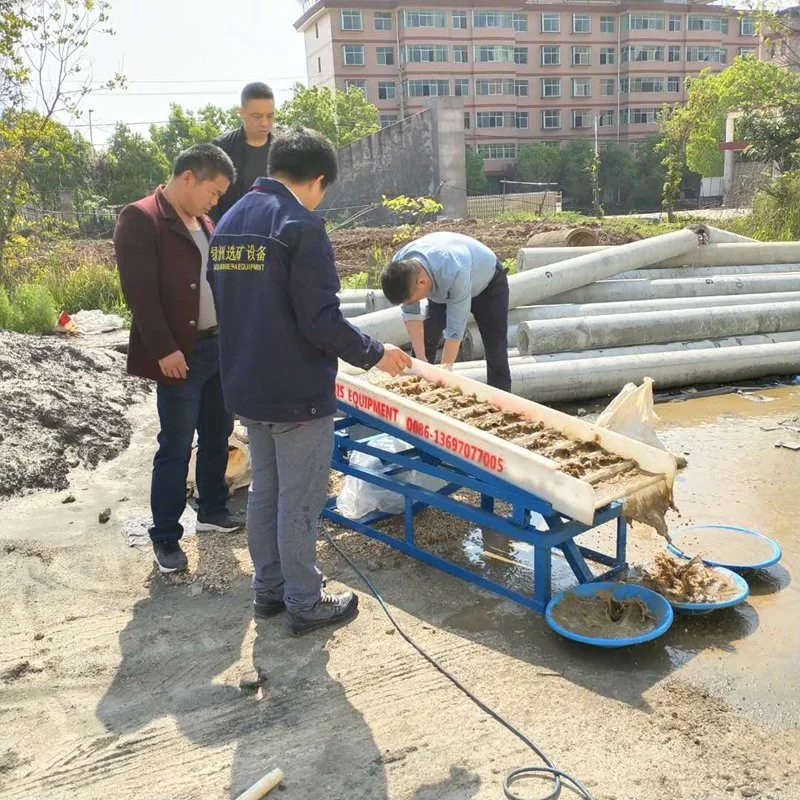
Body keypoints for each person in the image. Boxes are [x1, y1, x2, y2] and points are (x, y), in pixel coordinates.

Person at [209, 126, 410, 635]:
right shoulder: (299, 224)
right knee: (297, 502)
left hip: (247, 384)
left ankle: (268, 591)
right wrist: (373, 352)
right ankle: (305, 601)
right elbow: (319, 320)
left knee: (266, 494)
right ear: (318, 180)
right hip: (295, 392)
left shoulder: (229, 220)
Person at [114, 143, 243, 575]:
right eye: (213, 191)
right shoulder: (142, 218)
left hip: (216, 346)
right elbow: (140, 294)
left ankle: (211, 509)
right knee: (174, 444)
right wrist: (165, 348)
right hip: (179, 355)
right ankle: (166, 535)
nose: (215, 201)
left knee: (217, 431)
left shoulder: (204, 221)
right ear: (188, 177)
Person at [381, 232, 512, 391]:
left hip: (488, 284)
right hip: (441, 284)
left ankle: (501, 401)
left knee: (495, 348)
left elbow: (455, 330)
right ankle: (416, 391)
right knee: (428, 336)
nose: (414, 302)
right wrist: (421, 361)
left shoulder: (454, 271)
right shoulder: (400, 268)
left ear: (422, 282)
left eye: (414, 298)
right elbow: (411, 314)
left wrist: (445, 372)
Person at [210, 82, 276, 223]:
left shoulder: (283, 152)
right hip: (229, 235)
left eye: (270, 116)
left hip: (272, 236)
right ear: (241, 112)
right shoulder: (221, 150)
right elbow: (209, 203)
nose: (264, 123)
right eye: (257, 116)